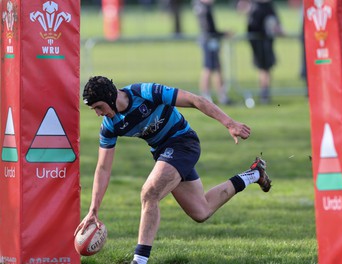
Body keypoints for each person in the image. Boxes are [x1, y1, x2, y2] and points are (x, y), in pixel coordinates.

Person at [75, 76, 272, 264]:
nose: (98, 113)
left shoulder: (144, 92)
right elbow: (102, 168)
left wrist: (230, 123)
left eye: (99, 107)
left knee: (149, 193)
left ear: (110, 97)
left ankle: (139, 260)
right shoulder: (110, 125)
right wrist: (93, 209)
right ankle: (254, 174)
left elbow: (195, 100)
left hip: (184, 143)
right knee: (201, 211)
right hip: (164, 154)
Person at [237, 0, 284, 104]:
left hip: (266, 43)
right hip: (260, 44)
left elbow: (275, 23)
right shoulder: (257, 7)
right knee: (264, 69)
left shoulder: (266, 6)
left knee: (266, 69)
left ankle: (265, 94)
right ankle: (264, 95)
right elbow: (252, 26)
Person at [193, 0, 231, 105]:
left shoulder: (202, 7)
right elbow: (209, 29)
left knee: (215, 67)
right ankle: (206, 96)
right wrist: (223, 34)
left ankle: (221, 95)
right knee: (208, 68)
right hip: (209, 41)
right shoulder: (203, 8)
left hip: (210, 40)